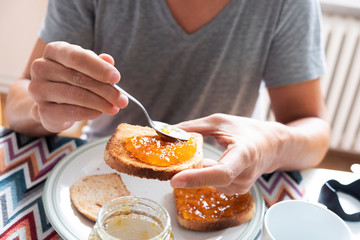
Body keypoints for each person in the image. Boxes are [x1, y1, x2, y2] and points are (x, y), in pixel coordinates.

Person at [5, 0, 330, 194]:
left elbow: (313, 132)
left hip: (216, 184)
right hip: (103, 175)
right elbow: (19, 101)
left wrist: (269, 144)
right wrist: (43, 109)